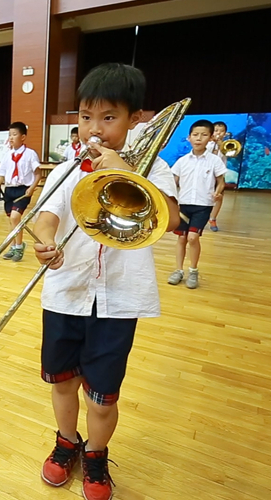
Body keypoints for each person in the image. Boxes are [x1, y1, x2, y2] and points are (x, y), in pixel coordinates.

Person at [33, 62, 179, 500]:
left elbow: (172, 220)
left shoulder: (155, 166)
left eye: (108, 118)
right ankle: (65, 442)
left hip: (118, 300)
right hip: (65, 293)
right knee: (62, 382)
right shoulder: (67, 167)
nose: (93, 129)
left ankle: (96, 455)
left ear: (136, 118)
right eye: (84, 116)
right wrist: (44, 242)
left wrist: (124, 172)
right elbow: (45, 216)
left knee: (102, 397)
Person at [167, 120, 227, 289]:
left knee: (192, 238)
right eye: (195, 135)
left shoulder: (215, 161)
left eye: (204, 135)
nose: (199, 138)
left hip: (203, 206)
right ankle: (178, 271)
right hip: (184, 205)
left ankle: (193, 270)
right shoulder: (182, 161)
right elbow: (173, 182)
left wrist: (218, 192)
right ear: (189, 138)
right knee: (182, 238)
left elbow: (221, 181)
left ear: (210, 138)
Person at [0, 122, 42, 262]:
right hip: (9, 190)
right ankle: (13, 246)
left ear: (23, 137)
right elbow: (1, 174)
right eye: (10, 135)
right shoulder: (7, 155)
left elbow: (38, 174)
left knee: (15, 217)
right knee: (11, 220)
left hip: (22, 190)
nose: (11, 138)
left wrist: (31, 189)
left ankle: (20, 247)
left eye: (14, 134)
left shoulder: (30, 154)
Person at [207, 121, 230, 232]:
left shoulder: (226, 145)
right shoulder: (207, 143)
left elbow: (229, 154)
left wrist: (220, 143)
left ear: (225, 133)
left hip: (219, 175)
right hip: (205, 174)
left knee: (218, 197)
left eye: (221, 131)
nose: (218, 133)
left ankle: (213, 218)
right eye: (216, 131)